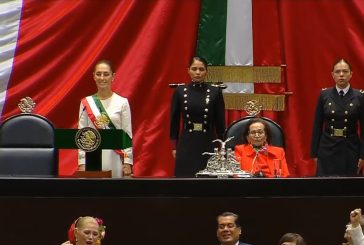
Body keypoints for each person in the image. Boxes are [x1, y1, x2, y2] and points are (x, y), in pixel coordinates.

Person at [170, 56, 226, 177]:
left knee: (208, 178)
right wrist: (174, 146)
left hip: (208, 139)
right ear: (188, 70)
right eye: (194, 69)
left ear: (206, 71)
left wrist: (222, 145)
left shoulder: (215, 92)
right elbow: (174, 121)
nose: (197, 72)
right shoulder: (180, 91)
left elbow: (220, 122)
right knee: (185, 177)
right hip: (187, 141)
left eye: (201, 69)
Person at [78, 60, 133, 178]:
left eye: (106, 74)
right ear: (93, 76)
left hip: (115, 156)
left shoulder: (122, 102)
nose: (102, 78)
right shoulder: (86, 103)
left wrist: (128, 161)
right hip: (93, 156)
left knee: (114, 193)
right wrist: (82, 162)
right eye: (98, 74)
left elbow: (127, 134)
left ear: (113, 77)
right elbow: (82, 135)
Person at [311, 58, 364, 176]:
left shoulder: (360, 96)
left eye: (345, 71)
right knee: (326, 188)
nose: (341, 75)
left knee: (350, 189)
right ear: (332, 75)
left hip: (350, 148)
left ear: (351, 74)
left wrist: (362, 155)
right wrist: (314, 153)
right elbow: (317, 125)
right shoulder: (324, 95)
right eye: (338, 72)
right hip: (328, 147)